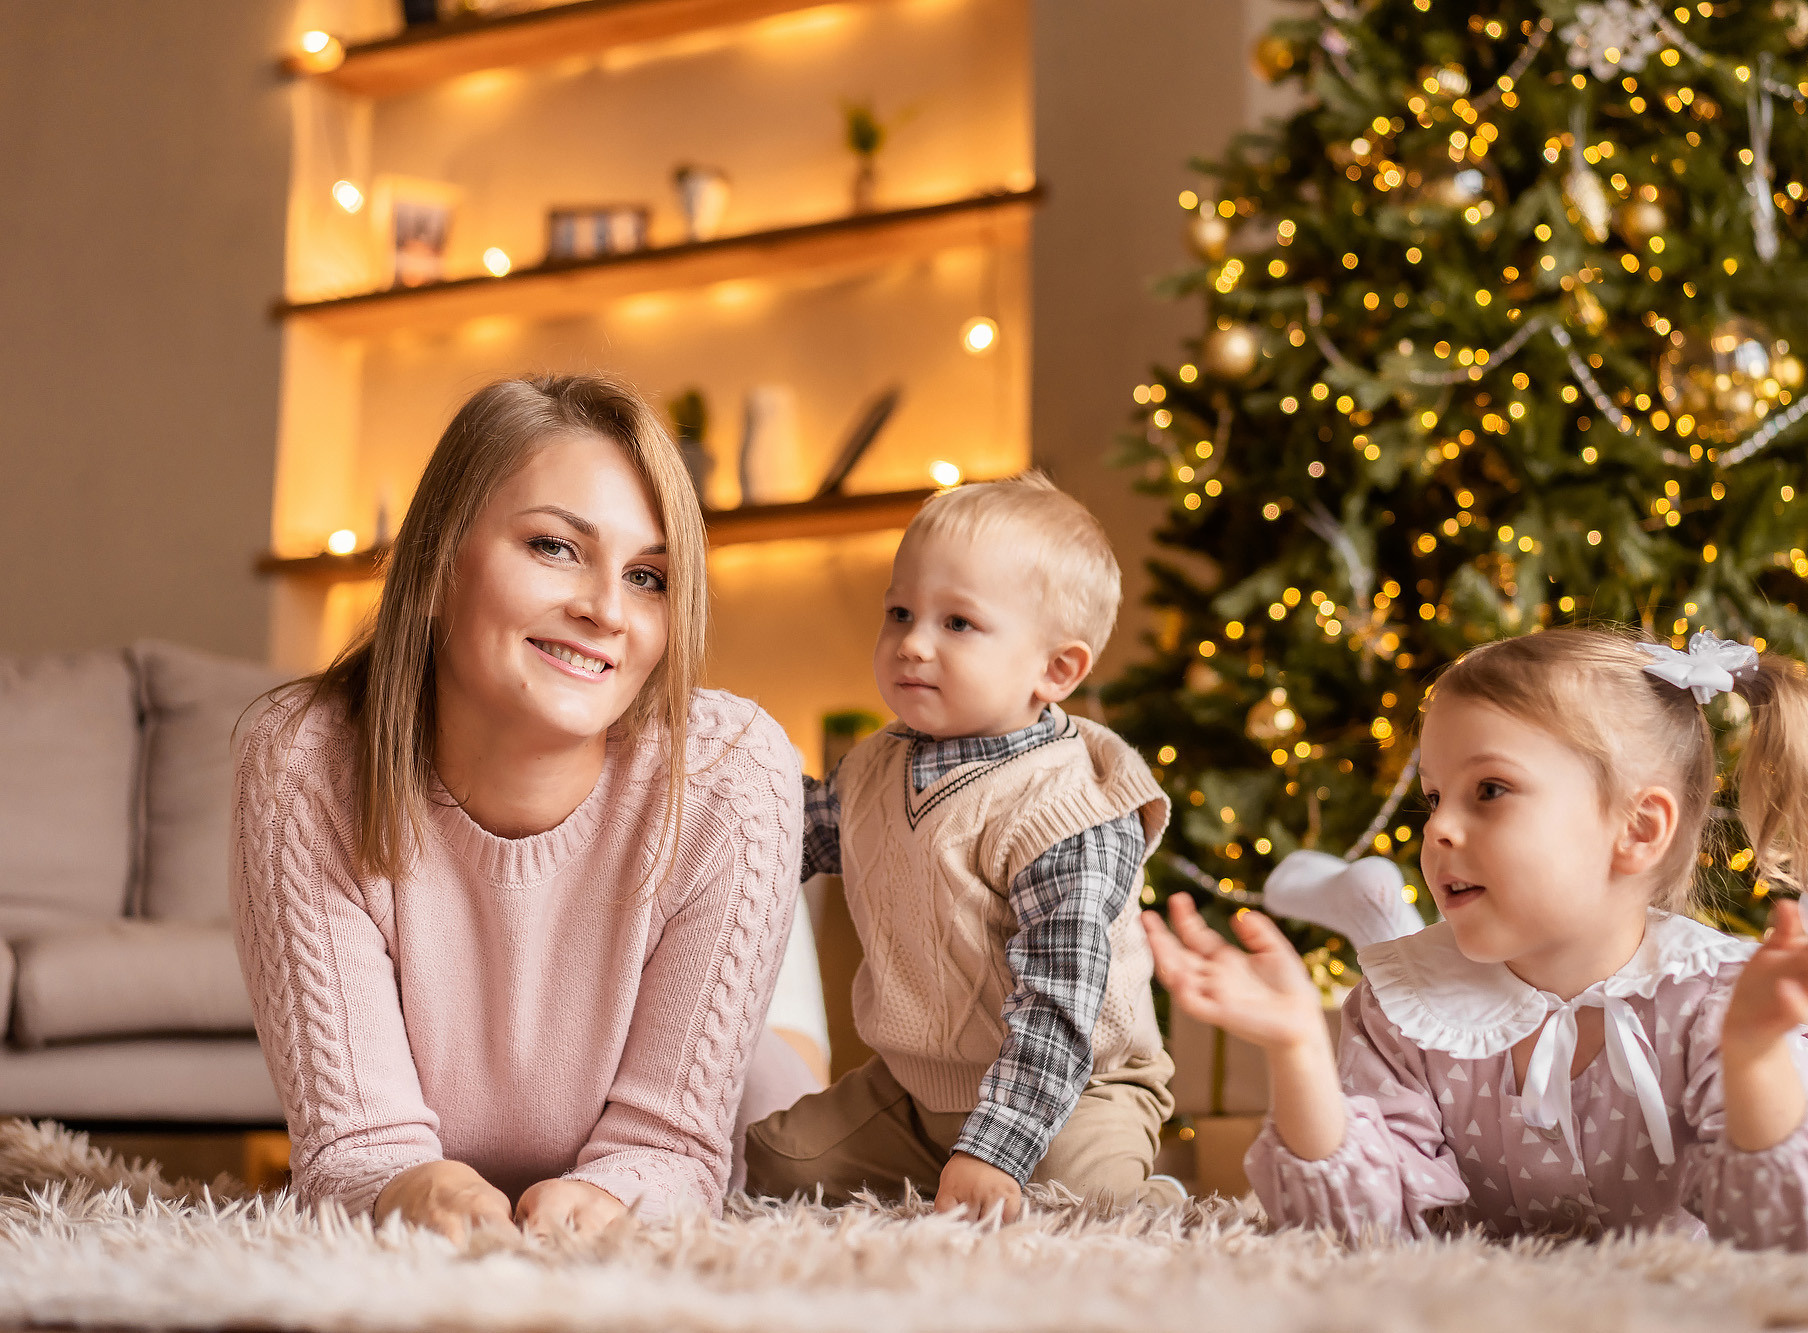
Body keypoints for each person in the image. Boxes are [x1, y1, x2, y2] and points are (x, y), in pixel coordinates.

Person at [1149, 626, 1808, 1251]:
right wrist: (1300, 1045)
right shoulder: (1401, 1009)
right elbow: (1351, 1231)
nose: (1437, 826)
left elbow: (1804, 1233)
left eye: (1489, 789)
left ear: (1637, 830)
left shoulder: (1714, 998)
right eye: (1433, 794)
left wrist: (1753, 1060)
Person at [231, 374, 815, 1242]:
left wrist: (617, 1191)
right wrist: (411, 1188)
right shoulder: (303, 762)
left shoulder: (738, 766)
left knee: (799, 1120)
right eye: (554, 546)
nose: (606, 610)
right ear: (435, 566)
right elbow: (356, 1145)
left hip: (749, 1083)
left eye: (649, 575)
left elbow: (673, 1147)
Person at [743, 473, 1181, 1220]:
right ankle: (946, 1165)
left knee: (1088, 1204)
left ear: (1057, 670)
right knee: (769, 1162)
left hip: (1073, 1087)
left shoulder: (1070, 810)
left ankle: (1150, 1196)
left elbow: (1062, 1003)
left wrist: (993, 1150)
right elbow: (783, 836)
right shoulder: (878, 766)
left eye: (958, 624)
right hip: (915, 1092)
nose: (911, 643)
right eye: (900, 611)